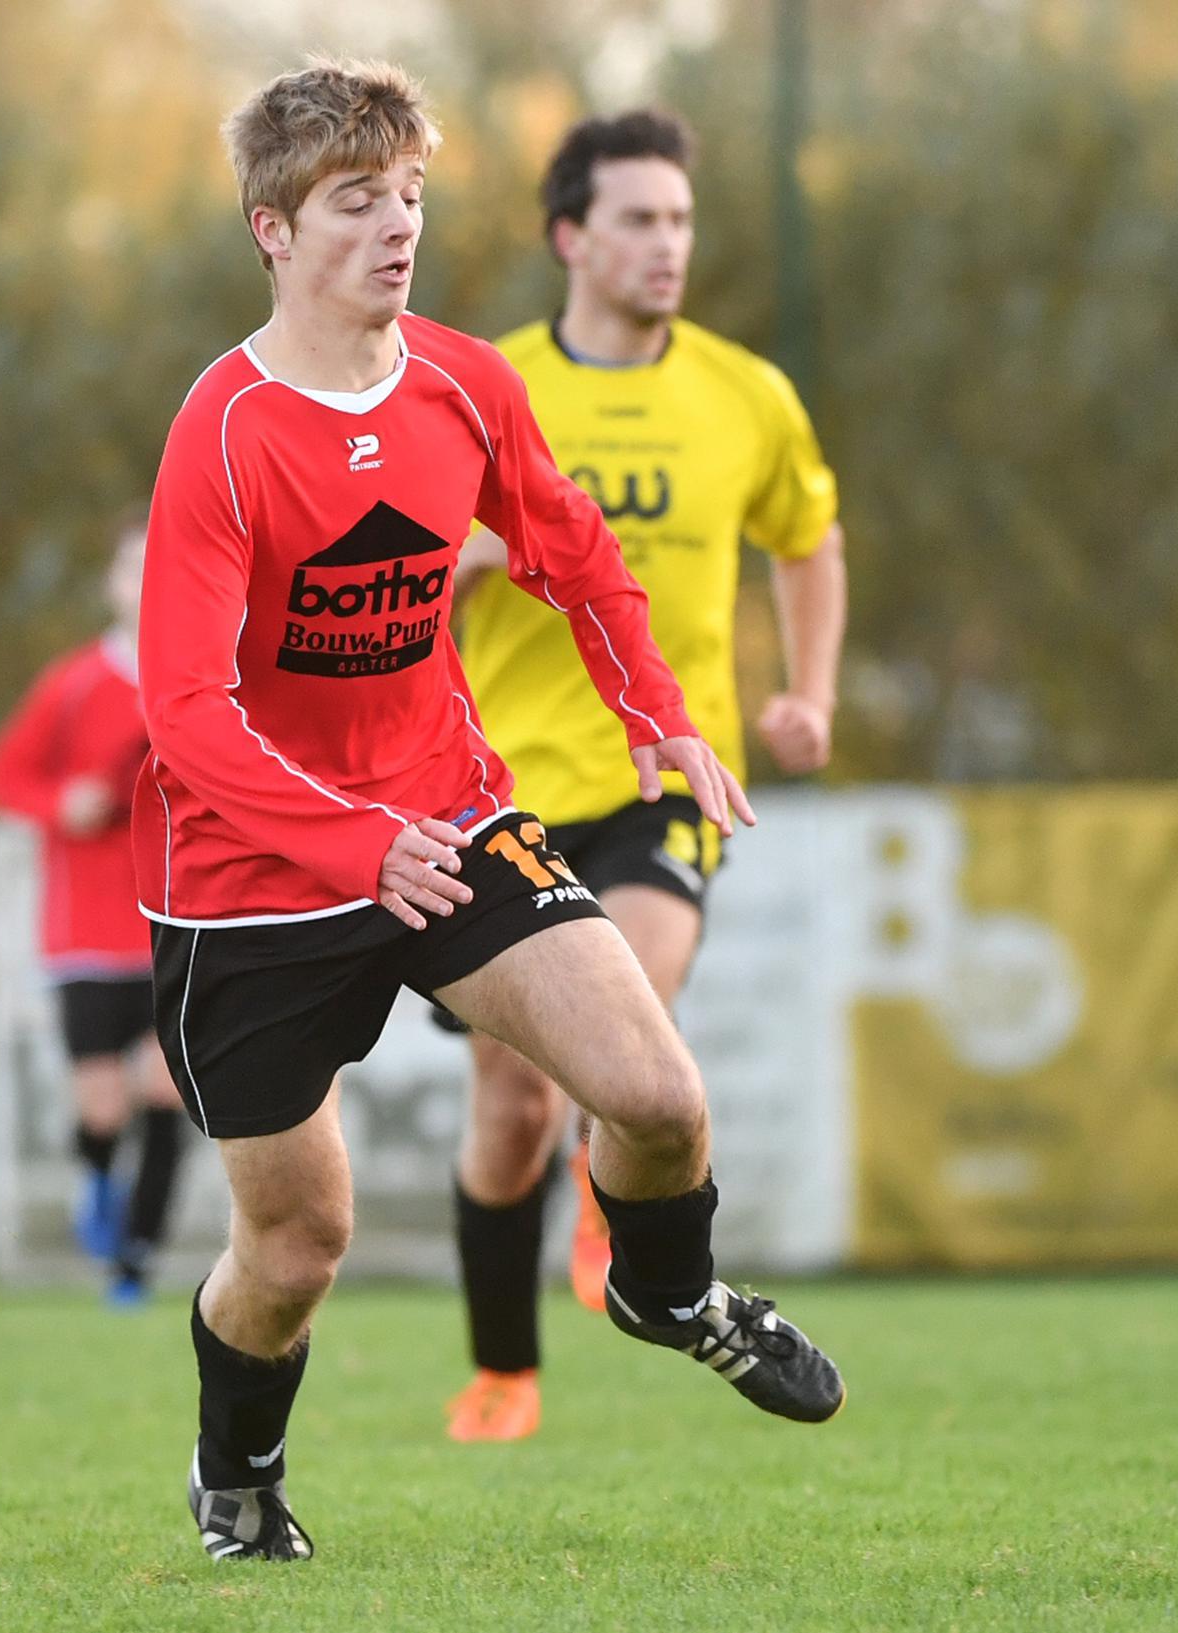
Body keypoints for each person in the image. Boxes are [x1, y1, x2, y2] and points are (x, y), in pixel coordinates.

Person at [138, 59, 845, 1563]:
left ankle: (666, 1291)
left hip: (449, 820)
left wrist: (659, 717)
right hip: (251, 883)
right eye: (354, 201)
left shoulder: (467, 381)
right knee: (295, 1244)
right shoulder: (222, 430)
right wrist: (344, 841)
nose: (397, 227)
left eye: (408, 194)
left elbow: (578, 557)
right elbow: (187, 719)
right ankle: (238, 1476)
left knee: (655, 1099)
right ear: (271, 228)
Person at [435, 108, 846, 1446]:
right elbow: (387, 566)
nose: (667, 245)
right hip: (497, 789)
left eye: (680, 219)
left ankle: (620, 1218)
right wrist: (470, 561)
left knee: (636, 982)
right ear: (570, 236)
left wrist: (809, 688)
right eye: (637, 219)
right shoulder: (480, 388)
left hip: (663, 770)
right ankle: (504, 1372)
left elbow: (808, 536)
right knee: (507, 1104)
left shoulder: (744, 393)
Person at [0, 519, 188, 1308]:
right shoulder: (71, 684)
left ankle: (134, 1265)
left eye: (159, 567)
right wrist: (59, 802)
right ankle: (96, 1174)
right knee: (103, 1103)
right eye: (132, 568)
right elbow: (2, 776)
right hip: (88, 936)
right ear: (110, 584)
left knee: (168, 1093)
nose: (145, 582)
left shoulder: (201, 679)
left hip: (177, 923)